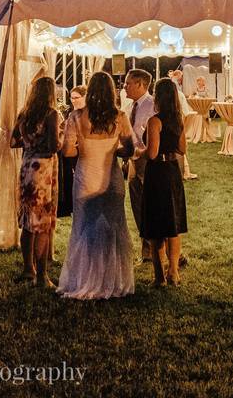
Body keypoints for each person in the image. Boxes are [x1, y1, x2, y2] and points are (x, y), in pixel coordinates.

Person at [58, 71, 135, 300]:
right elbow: (129, 148)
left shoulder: (76, 117)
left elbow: (68, 150)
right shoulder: (119, 116)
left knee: (84, 229)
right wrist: (112, 149)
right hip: (111, 180)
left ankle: (85, 279)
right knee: (113, 229)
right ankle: (111, 281)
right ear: (112, 92)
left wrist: (85, 148)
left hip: (86, 178)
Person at [10, 76, 63, 288]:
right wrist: (61, 137)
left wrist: (30, 143)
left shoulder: (24, 114)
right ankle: (42, 276)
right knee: (41, 223)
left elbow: (14, 141)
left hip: (26, 168)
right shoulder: (51, 114)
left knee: (27, 222)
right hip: (43, 170)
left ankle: (27, 269)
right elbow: (53, 145)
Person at [140, 78, 188, 286]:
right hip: (172, 171)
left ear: (158, 97)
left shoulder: (155, 121)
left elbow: (152, 153)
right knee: (173, 224)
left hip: (157, 173)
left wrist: (136, 152)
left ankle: (159, 276)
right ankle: (174, 272)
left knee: (156, 224)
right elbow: (182, 149)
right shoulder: (178, 120)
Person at [124, 69, 156, 261]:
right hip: (133, 160)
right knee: (137, 205)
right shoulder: (130, 106)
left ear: (140, 84)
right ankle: (146, 247)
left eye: (128, 83)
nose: (125, 86)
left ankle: (155, 247)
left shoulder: (152, 105)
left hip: (147, 160)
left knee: (150, 205)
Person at [57, 86, 86, 218]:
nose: (73, 100)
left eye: (76, 98)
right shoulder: (72, 113)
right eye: (72, 98)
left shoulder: (86, 114)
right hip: (70, 152)